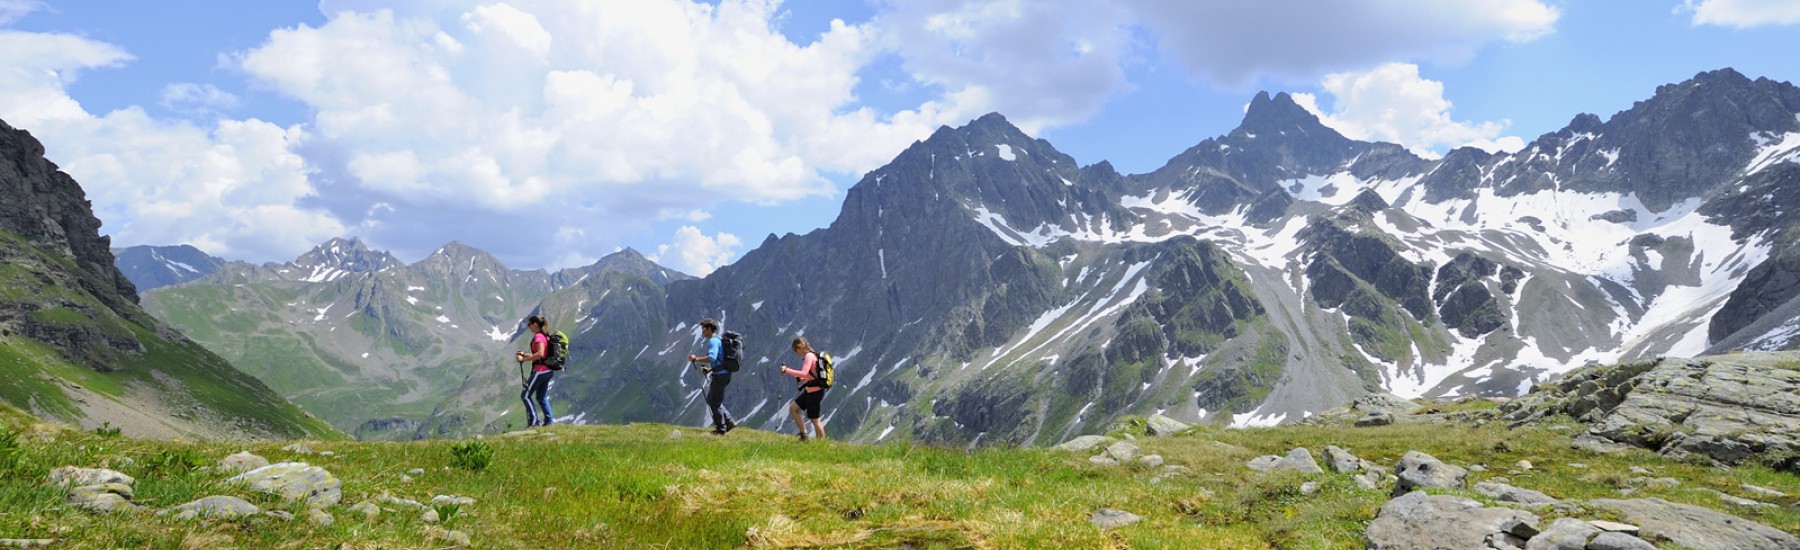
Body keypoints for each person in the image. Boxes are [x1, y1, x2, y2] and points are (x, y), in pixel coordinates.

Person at [686, 318, 736, 435]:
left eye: (704, 328)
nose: (702, 331)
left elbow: (712, 357)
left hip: (720, 376)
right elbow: (720, 360)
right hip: (723, 374)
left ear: (709, 329)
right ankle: (729, 422)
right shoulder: (719, 339)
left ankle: (721, 429)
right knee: (713, 400)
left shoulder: (713, 341)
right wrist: (710, 369)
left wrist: (696, 358)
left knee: (714, 402)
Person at [779, 337, 826, 441]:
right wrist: (800, 378)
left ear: (800, 347)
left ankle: (821, 444)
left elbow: (804, 373)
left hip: (815, 392)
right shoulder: (813, 354)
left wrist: (787, 370)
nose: (796, 352)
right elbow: (810, 375)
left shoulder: (809, 356)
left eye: (796, 350)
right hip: (810, 390)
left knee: (815, 420)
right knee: (793, 408)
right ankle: (804, 435)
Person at [513, 316, 555, 427]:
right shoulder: (545, 336)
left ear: (535, 325)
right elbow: (543, 354)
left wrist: (524, 359)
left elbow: (540, 354)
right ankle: (549, 421)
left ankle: (534, 422)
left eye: (529, 324)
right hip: (548, 370)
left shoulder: (538, 337)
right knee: (541, 396)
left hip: (540, 371)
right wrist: (525, 354)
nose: (528, 326)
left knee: (525, 395)